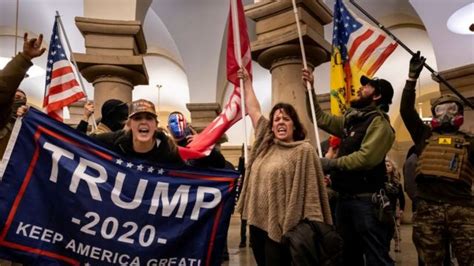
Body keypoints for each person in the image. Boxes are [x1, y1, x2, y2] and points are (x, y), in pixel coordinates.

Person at [236, 69, 332, 265]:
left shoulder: (302, 150)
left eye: (286, 119)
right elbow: (253, 110)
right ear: (271, 127)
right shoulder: (265, 143)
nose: (280, 122)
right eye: (277, 119)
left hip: (282, 228)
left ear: (294, 126)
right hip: (256, 222)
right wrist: (246, 82)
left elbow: (312, 193)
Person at [303, 68, 395, 265]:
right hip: (344, 202)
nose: (361, 88)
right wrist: (309, 89)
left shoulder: (380, 124)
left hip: (367, 204)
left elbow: (365, 158)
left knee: (376, 258)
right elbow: (320, 118)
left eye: (367, 86)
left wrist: (330, 164)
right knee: (347, 257)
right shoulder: (352, 121)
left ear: (377, 95)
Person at [400, 51, 474, 265]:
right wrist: (411, 79)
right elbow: (406, 110)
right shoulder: (424, 136)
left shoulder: (470, 141)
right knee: (430, 261)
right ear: (433, 115)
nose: (445, 114)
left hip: (462, 209)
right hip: (428, 209)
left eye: (451, 109)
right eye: (440, 110)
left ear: (459, 114)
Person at [92, 99, 183, 166]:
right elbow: (84, 143)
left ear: (156, 125)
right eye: (137, 118)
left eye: (149, 118)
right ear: (129, 124)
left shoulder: (169, 150)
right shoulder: (114, 141)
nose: (143, 122)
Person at [0, 33, 46, 158]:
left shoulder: (26, 126)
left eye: (22, 99)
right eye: (16, 97)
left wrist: (28, 120)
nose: (19, 101)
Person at [385, 158, 405, 253]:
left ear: (392, 167)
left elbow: (401, 197)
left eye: (388, 165)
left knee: (396, 227)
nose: (386, 167)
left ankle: (397, 244)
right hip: (385, 208)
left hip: (394, 207)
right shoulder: (382, 181)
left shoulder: (396, 183)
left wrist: (401, 209)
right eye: (385, 165)